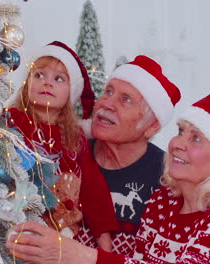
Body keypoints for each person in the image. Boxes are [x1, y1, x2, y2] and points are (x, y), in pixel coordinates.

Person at [6, 90, 210, 264]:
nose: (176, 144)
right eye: (180, 131)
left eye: (195, 138)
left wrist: (79, 256)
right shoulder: (162, 203)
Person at [6, 41, 118, 250]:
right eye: (39, 75)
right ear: (27, 83)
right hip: (13, 222)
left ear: (71, 92)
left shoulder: (74, 139)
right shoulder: (12, 121)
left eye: (59, 79)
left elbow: (93, 189)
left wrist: (104, 240)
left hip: (59, 234)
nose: (47, 83)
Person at [76, 55, 181, 256]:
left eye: (125, 99)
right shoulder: (70, 155)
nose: (107, 103)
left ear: (152, 126)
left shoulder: (170, 179)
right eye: (108, 92)